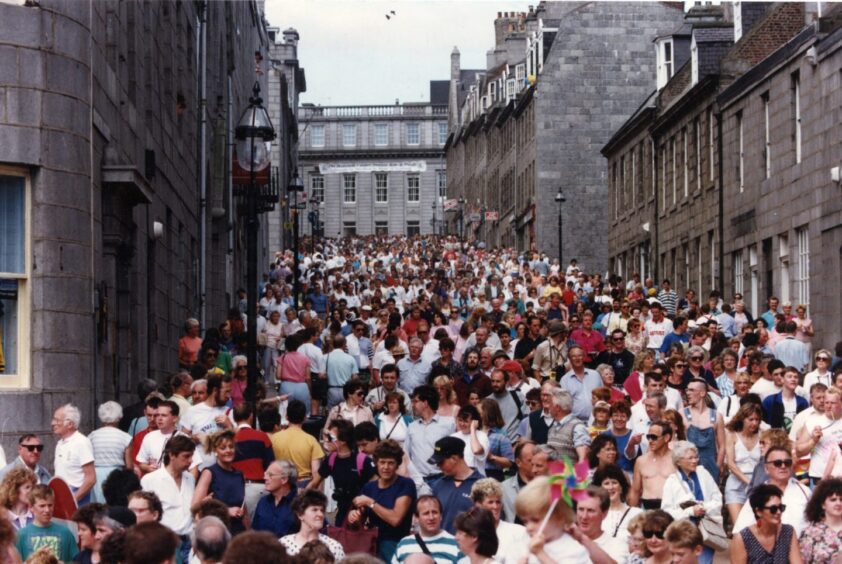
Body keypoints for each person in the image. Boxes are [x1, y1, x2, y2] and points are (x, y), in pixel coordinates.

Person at [348, 440, 416, 561]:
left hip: (396, 545)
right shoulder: (369, 487)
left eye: (390, 463)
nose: (386, 467)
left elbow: (395, 519)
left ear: (397, 464)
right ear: (376, 463)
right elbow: (358, 517)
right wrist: (354, 516)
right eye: (382, 462)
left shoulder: (405, 484)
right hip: (371, 544)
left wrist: (371, 503)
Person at [660, 441, 723, 564]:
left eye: (696, 457)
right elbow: (666, 512)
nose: (694, 461)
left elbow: (717, 498)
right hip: (683, 535)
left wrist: (703, 507)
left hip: (706, 532)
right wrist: (690, 512)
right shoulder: (671, 482)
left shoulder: (703, 473)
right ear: (678, 461)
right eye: (690, 458)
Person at [309, 419, 376, 526]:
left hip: (363, 513)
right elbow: (314, 483)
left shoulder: (363, 461)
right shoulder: (331, 459)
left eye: (331, 438)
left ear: (343, 440)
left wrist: (364, 506)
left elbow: (377, 486)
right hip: (342, 511)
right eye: (326, 436)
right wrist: (300, 500)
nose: (327, 440)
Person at [733, 445, 812, 535]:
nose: (783, 466)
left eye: (787, 462)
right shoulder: (758, 494)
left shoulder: (805, 492)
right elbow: (740, 530)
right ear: (766, 468)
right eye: (777, 463)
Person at [140, 435, 196, 561]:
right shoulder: (150, 480)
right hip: (166, 542)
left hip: (189, 541)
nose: (190, 460)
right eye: (186, 456)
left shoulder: (190, 478)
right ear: (172, 455)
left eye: (191, 456)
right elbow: (146, 513)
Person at [515, 476, 590, 564]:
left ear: (560, 518)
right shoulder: (523, 543)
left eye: (535, 520)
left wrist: (541, 554)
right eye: (525, 522)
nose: (529, 527)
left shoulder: (574, 550)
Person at [730, 484, 803, 564]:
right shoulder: (742, 538)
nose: (778, 512)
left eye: (781, 507)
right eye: (773, 509)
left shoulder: (788, 532)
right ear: (758, 512)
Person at [191, 430, 246, 534]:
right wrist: (226, 511)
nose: (228, 450)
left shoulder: (239, 475)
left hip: (237, 532)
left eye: (231, 446)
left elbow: (243, 508)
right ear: (215, 450)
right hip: (216, 532)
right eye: (223, 447)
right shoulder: (209, 473)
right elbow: (195, 507)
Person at [429, 437, 482, 535]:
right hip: (443, 546)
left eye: (441, 462)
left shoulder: (482, 485)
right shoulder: (438, 485)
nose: (438, 466)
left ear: (454, 458)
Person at [179, 372, 234, 467]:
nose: (229, 396)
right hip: (199, 469)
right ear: (215, 390)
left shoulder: (229, 412)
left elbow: (237, 443)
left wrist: (229, 426)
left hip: (223, 469)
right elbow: (181, 440)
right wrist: (194, 438)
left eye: (230, 392)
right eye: (226, 392)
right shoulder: (193, 411)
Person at [470, 478, 529, 563]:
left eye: (498, 502)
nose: (495, 506)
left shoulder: (519, 532)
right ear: (478, 504)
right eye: (490, 502)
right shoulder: (468, 533)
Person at [406, 385, 456, 484]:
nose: (412, 405)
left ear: (425, 403)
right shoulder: (411, 427)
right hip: (418, 480)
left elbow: (455, 452)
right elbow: (406, 454)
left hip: (442, 479)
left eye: (415, 401)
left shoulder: (449, 424)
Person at [14, 485, 78, 562]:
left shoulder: (65, 533)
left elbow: (77, 561)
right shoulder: (21, 535)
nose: (47, 510)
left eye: (50, 505)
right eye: (42, 506)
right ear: (31, 507)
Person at [392, 495, 461, 563]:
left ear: (441, 516)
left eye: (435, 512)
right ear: (416, 518)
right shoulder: (403, 545)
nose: (431, 517)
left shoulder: (456, 544)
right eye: (426, 513)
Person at [270, 400, 324, 487]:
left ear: (286, 417)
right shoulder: (311, 440)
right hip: (304, 484)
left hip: (280, 482)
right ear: (305, 418)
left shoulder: (274, 438)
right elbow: (315, 472)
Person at [680, 378, 725, 481]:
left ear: (702, 393)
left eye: (692, 390)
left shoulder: (717, 416)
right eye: (687, 390)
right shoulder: (682, 414)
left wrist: (717, 467)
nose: (688, 393)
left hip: (710, 467)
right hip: (688, 467)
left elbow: (722, 446)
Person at [724, 403, 762, 524]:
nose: (754, 423)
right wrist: (749, 482)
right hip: (736, 484)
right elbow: (730, 463)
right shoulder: (732, 435)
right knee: (739, 527)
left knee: (756, 525)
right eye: (751, 419)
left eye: (757, 419)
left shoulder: (762, 435)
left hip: (757, 483)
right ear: (743, 419)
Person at [51, 403, 96, 504]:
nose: (53, 423)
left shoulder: (82, 442)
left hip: (77, 499)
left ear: (70, 424)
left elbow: (91, 478)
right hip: (60, 498)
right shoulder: (60, 443)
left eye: (57, 420)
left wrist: (73, 500)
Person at [280, 490, 345, 559]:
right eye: (314, 510)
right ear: (300, 514)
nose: (320, 514)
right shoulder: (284, 544)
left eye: (322, 510)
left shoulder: (333, 547)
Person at [575, 485, 629, 563]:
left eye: (590, 510)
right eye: (581, 509)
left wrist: (582, 539)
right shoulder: (565, 542)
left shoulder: (617, 545)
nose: (584, 516)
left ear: (604, 514)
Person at [628, 420, 675, 509]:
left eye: (654, 437)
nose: (650, 441)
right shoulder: (641, 461)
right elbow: (635, 491)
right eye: (648, 437)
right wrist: (631, 514)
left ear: (666, 438)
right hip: (648, 508)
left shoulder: (676, 460)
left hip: (671, 508)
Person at [592, 464, 642, 545]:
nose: (611, 487)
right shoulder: (594, 514)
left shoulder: (636, 514)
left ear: (621, 488)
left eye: (614, 483)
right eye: (606, 483)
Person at [799, 478, 842, 563]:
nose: (838, 503)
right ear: (822, 504)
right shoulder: (810, 533)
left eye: (841, 499)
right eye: (833, 500)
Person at [252, 460, 297, 538]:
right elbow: (254, 532)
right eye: (265, 474)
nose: (265, 478)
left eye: (270, 475)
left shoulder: (302, 503)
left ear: (284, 479)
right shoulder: (263, 502)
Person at [559, 345, 604, 420]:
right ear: (569, 359)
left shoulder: (595, 375)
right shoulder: (564, 380)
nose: (577, 358)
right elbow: (564, 405)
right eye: (574, 356)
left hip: (596, 421)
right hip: (574, 422)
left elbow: (603, 397)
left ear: (584, 357)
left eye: (579, 355)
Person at [546, 388, 590, 463]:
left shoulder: (577, 427)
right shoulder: (553, 427)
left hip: (570, 473)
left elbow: (583, 457)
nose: (548, 407)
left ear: (557, 408)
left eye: (550, 403)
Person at [477, 398, 515, 481]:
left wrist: (491, 457)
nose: (477, 414)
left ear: (487, 413)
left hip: (493, 475)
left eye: (479, 412)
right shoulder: (475, 431)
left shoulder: (501, 435)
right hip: (475, 473)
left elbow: (509, 462)